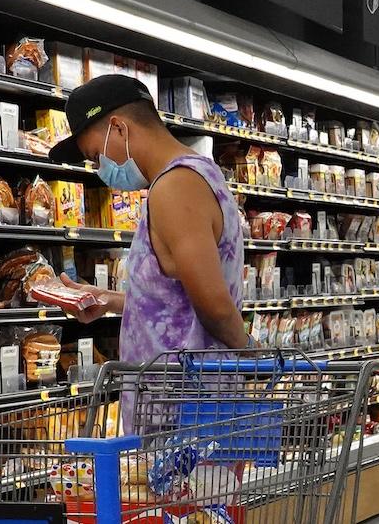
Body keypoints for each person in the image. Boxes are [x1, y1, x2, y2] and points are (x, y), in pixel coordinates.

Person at [47, 74, 250, 363]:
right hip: (178, 395)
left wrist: (254, 355)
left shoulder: (175, 187)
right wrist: (108, 301)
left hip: (183, 398)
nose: (98, 168)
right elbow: (178, 301)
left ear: (118, 128)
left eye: (95, 156)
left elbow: (214, 308)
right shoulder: (194, 174)